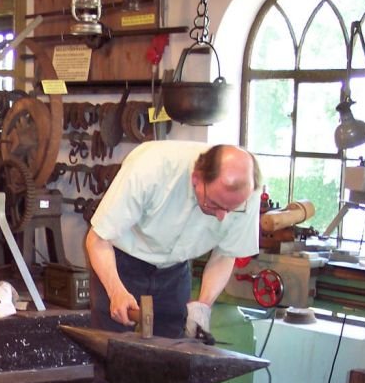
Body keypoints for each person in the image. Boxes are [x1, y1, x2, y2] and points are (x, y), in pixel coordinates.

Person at [85, 140, 262, 340]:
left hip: (175, 273)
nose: (222, 217)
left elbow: (225, 254)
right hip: (121, 264)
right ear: (196, 179)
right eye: (214, 204)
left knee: (172, 356)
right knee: (108, 349)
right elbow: (97, 239)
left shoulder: (248, 194)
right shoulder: (151, 168)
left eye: (230, 209)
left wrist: (203, 305)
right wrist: (116, 291)